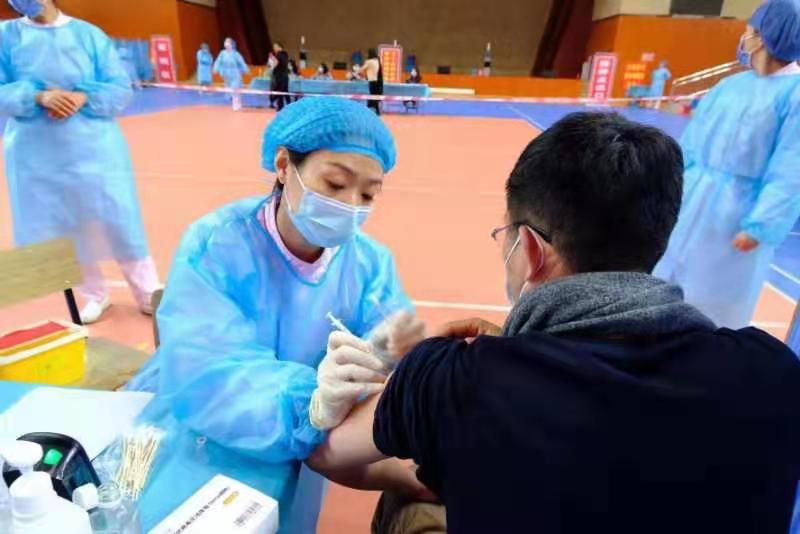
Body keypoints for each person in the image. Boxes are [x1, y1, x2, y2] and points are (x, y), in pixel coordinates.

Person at [308, 112, 800, 534]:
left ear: (529, 248)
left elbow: (327, 452)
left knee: (412, 501)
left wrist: (414, 380)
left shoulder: (458, 380)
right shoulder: (772, 371)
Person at [126, 96, 426, 532]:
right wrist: (311, 402)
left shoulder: (369, 264)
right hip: (206, 415)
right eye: (335, 184)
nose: (350, 205)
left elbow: (389, 355)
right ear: (284, 166)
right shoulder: (217, 245)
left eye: (367, 194)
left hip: (306, 426)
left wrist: (387, 358)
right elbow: (206, 368)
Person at [0, 0, 159, 323]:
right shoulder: (6, 36)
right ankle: (94, 293)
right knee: (64, 226)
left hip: (95, 147)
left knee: (118, 216)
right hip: (35, 153)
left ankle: (147, 290)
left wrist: (83, 96)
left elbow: (119, 86)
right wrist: (37, 96)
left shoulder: (88, 35)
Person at [654, 0, 800, 329]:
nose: (744, 36)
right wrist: (668, 187)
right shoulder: (730, 85)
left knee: (711, 307)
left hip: (737, 216)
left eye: (750, 30)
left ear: (763, 37)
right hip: (691, 200)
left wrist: (762, 225)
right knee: (664, 282)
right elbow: (691, 144)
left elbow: (791, 168)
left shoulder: (794, 96)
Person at [213, 37, 249, 111]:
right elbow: (218, 61)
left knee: (235, 89)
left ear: (231, 44)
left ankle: (236, 105)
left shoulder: (236, 54)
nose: (226, 43)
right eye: (225, 42)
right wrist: (216, 69)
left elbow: (241, 62)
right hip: (226, 75)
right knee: (230, 91)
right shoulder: (222, 53)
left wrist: (245, 69)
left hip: (235, 74)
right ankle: (236, 102)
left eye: (228, 42)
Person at [363, 48, 384, 115]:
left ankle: (371, 110)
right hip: (378, 81)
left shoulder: (372, 60)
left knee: (373, 96)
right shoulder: (377, 59)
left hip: (374, 81)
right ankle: (376, 111)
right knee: (375, 96)